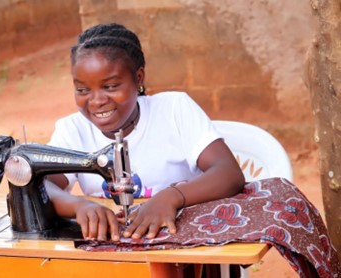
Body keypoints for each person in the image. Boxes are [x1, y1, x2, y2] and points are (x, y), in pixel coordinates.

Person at [45, 22, 245, 242]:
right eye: (82, 90)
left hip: (185, 244)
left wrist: (171, 197)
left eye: (110, 86)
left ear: (138, 78)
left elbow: (228, 173)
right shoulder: (73, 130)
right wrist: (79, 205)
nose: (97, 101)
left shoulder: (174, 109)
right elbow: (43, 186)